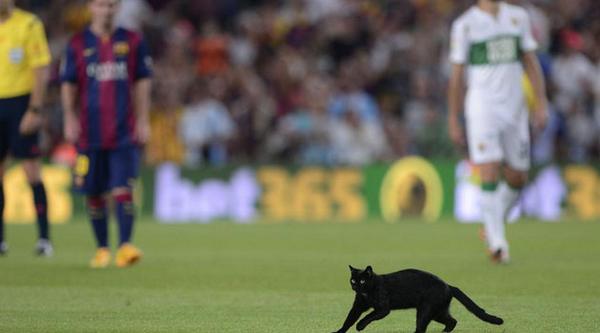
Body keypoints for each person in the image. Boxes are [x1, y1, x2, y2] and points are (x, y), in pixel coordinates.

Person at [447, 0, 548, 263]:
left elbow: (530, 62)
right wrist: (453, 118)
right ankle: (497, 242)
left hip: (515, 109)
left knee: (518, 176)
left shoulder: (518, 17)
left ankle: (493, 220)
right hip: (482, 108)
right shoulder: (465, 25)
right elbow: (457, 77)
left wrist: (540, 103)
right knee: (489, 168)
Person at [60, 0, 152, 268]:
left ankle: (125, 246)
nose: (107, 10)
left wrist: (144, 119)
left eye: (112, 5)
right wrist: (69, 117)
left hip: (124, 131)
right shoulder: (77, 43)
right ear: (91, 7)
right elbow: (68, 82)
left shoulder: (133, 41)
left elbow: (143, 81)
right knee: (94, 191)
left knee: (123, 187)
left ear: (119, 7)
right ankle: (102, 249)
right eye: (102, 5)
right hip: (89, 133)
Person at [0, 0, 52, 256]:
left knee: (31, 170)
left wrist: (35, 108)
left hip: (21, 103)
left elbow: (41, 67)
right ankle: (1, 241)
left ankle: (44, 239)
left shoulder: (28, 23)